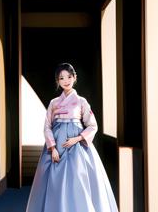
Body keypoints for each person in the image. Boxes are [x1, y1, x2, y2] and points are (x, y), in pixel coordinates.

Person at [25, 63, 118, 212]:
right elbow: (47, 126)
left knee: (78, 179)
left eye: (69, 76)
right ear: (58, 81)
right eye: (61, 78)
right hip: (56, 146)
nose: (65, 80)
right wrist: (52, 148)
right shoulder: (53, 103)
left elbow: (93, 125)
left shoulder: (82, 101)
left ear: (74, 77)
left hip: (77, 147)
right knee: (54, 182)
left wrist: (77, 139)